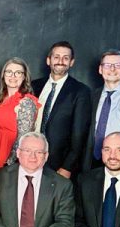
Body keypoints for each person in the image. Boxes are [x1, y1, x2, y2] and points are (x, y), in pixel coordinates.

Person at [32, 41, 91, 178]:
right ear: (48, 60)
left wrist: (67, 167)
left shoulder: (80, 91)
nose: (60, 61)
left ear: (71, 62)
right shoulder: (34, 86)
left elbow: (79, 135)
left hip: (58, 163)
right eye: (56, 57)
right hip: (30, 157)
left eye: (66, 58)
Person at [0, 57, 39, 169]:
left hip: (10, 154)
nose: (13, 76)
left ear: (24, 77)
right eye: (9, 72)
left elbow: (23, 138)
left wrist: (9, 163)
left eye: (18, 73)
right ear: (3, 75)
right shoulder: (1, 98)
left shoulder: (26, 102)